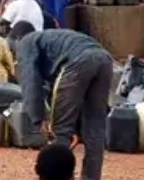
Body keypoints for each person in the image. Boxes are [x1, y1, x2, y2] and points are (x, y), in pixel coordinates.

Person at [9, 22, 112, 180]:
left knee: (60, 131)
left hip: (78, 61)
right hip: (104, 59)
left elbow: (30, 81)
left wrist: (37, 118)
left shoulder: (25, 42)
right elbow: (61, 93)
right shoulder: (51, 40)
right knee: (95, 129)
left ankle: (57, 177)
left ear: (16, 39)